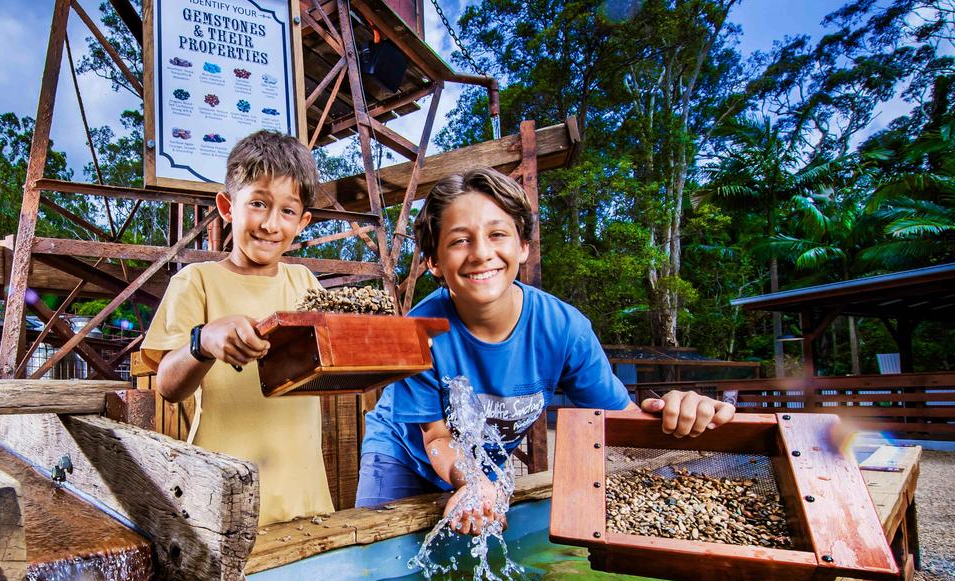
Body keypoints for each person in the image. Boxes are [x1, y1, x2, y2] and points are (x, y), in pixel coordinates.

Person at [357, 167, 736, 533]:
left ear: (523, 246)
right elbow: (437, 438)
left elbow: (621, 422)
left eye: (498, 234)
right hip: (401, 452)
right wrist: (471, 480)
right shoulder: (418, 331)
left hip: (478, 461)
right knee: (374, 564)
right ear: (434, 262)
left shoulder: (564, 330)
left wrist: (679, 411)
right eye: (459, 240)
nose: (481, 253)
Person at [140, 130, 333, 526]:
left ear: (303, 221)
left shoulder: (306, 285)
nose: (270, 224)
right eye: (258, 203)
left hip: (304, 497)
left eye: (287, 211)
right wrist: (203, 342)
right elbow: (168, 386)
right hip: (222, 501)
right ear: (228, 207)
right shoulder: (197, 281)